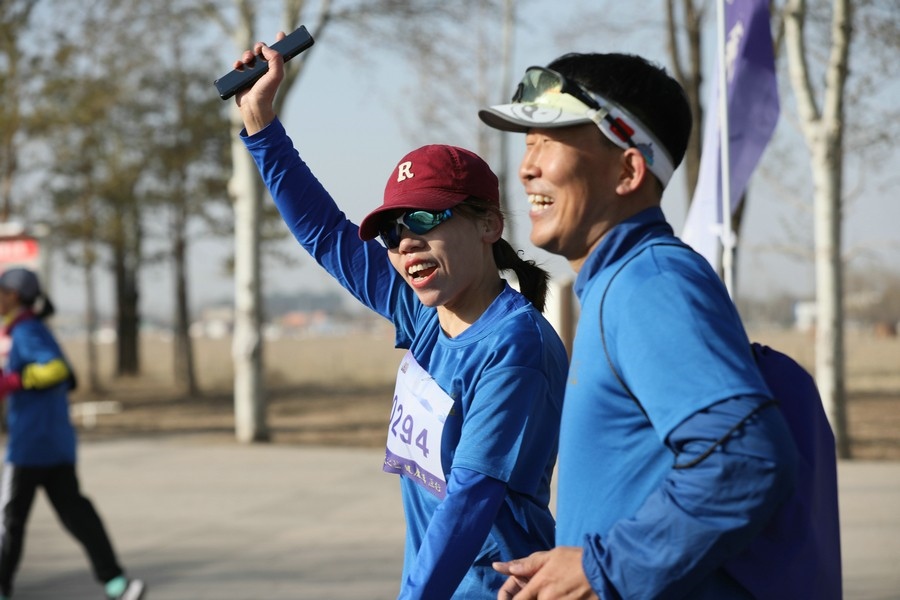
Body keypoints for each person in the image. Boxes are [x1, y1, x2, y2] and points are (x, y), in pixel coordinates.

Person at [231, 36, 569, 599]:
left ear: (489, 225)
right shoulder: (420, 309)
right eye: (391, 231)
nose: (406, 242)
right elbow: (325, 233)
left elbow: (468, 503)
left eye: (426, 218)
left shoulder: (515, 348)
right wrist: (260, 121)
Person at [479, 54, 800, 598]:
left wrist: (602, 569)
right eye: (528, 144)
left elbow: (745, 461)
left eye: (549, 142)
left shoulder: (650, 282)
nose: (526, 168)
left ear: (628, 171)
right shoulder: (620, 283)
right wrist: (569, 566)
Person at [0, 268, 146, 600]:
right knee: (77, 515)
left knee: (10, 520)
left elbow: (56, 370)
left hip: (29, 445)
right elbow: (70, 377)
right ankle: (118, 584)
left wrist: (14, 381)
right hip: (56, 443)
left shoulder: (25, 331)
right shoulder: (36, 329)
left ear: (13, 295)